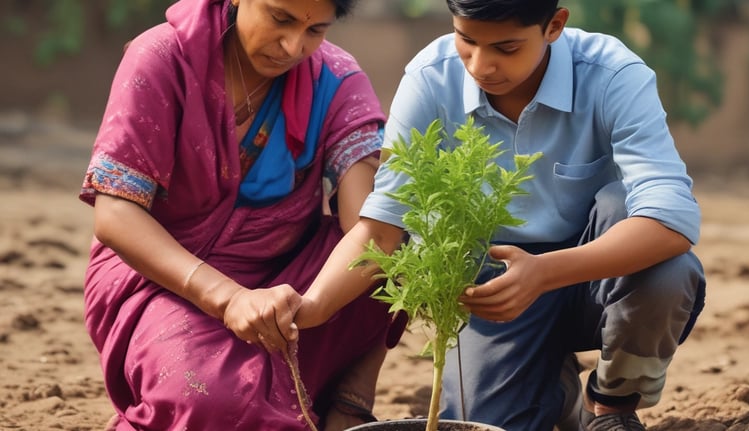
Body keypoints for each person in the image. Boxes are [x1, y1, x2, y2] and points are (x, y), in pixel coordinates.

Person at [260, 1, 707, 430]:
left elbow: (671, 218)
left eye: (506, 48)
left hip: (597, 271)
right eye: (465, 40)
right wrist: (313, 305)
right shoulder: (431, 79)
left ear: (554, 26)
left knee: (656, 254)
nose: (480, 65)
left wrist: (543, 272)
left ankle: (611, 403)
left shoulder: (612, 74)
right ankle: (556, 390)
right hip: (489, 287)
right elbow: (384, 223)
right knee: (483, 421)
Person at [78, 0, 397, 429]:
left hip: (288, 280)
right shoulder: (162, 59)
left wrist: (315, 306)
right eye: (280, 19)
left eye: (315, 31)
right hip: (165, 278)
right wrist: (231, 298)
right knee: (209, 399)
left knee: (404, 226)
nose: (291, 46)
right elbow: (116, 214)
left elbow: (369, 226)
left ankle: (349, 402)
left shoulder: (335, 79)